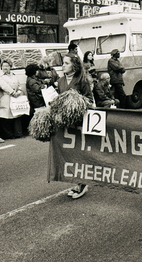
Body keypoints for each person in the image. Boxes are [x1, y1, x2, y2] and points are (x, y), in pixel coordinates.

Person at [59, 54, 94, 199]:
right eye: (63, 63)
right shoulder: (60, 81)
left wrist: (77, 104)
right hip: (66, 124)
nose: (63, 65)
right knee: (71, 154)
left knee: (80, 153)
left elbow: (90, 100)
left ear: (74, 65)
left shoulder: (82, 80)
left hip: (80, 122)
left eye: (66, 63)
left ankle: (82, 184)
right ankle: (78, 182)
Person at [0, 60, 24, 139]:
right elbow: (4, 86)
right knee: (5, 116)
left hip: (15, 97)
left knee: (16, 114)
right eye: (3, 66)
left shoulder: (14, 75)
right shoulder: (0, 76)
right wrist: (12, 92)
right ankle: (8, 134)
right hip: (6, 97)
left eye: (7, 66)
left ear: (10, 67)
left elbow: (19, 84)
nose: (5, 68)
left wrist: (18, 91)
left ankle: (18, 133)